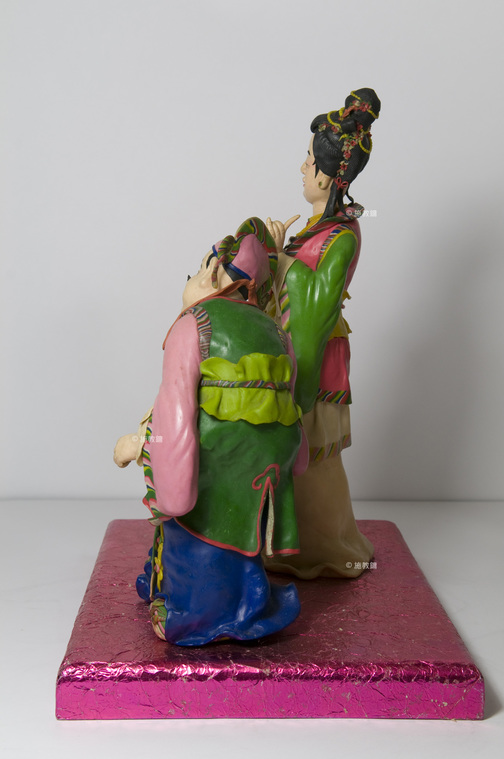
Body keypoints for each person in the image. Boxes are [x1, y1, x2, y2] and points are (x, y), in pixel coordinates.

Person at [114, 218, 307, 645]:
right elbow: (294, 411)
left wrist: (162, 477)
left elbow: (175, 419)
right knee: (241, 541)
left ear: (214, 275)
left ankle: (191, 616)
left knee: (194, 534)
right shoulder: (277, 331)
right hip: (262, 476)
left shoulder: (194, 324)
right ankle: (248, 603)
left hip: (208, 475)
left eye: (195, 271)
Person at [264, 88, 381, 579]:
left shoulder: (342, 234)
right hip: (291, 344)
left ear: (329, 175)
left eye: (309, 159)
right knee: (293, 454)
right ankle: (288, 545)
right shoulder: (316, 227)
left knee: (316, 458)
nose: (302, 167)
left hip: (315, 353)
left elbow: (318, 299)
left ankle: (334, 548)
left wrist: (281, 259)